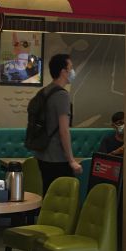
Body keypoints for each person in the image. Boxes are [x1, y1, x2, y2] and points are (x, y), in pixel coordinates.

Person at [30, 53, 84, 192]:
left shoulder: (44, 91)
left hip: (42, 154)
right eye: (71, 68)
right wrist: (71, 160)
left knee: (48, 194)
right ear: (63, 72)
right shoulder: (62, 95)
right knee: (64, 196)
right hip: (57, 158)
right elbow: (64, 130)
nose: (73, 71)